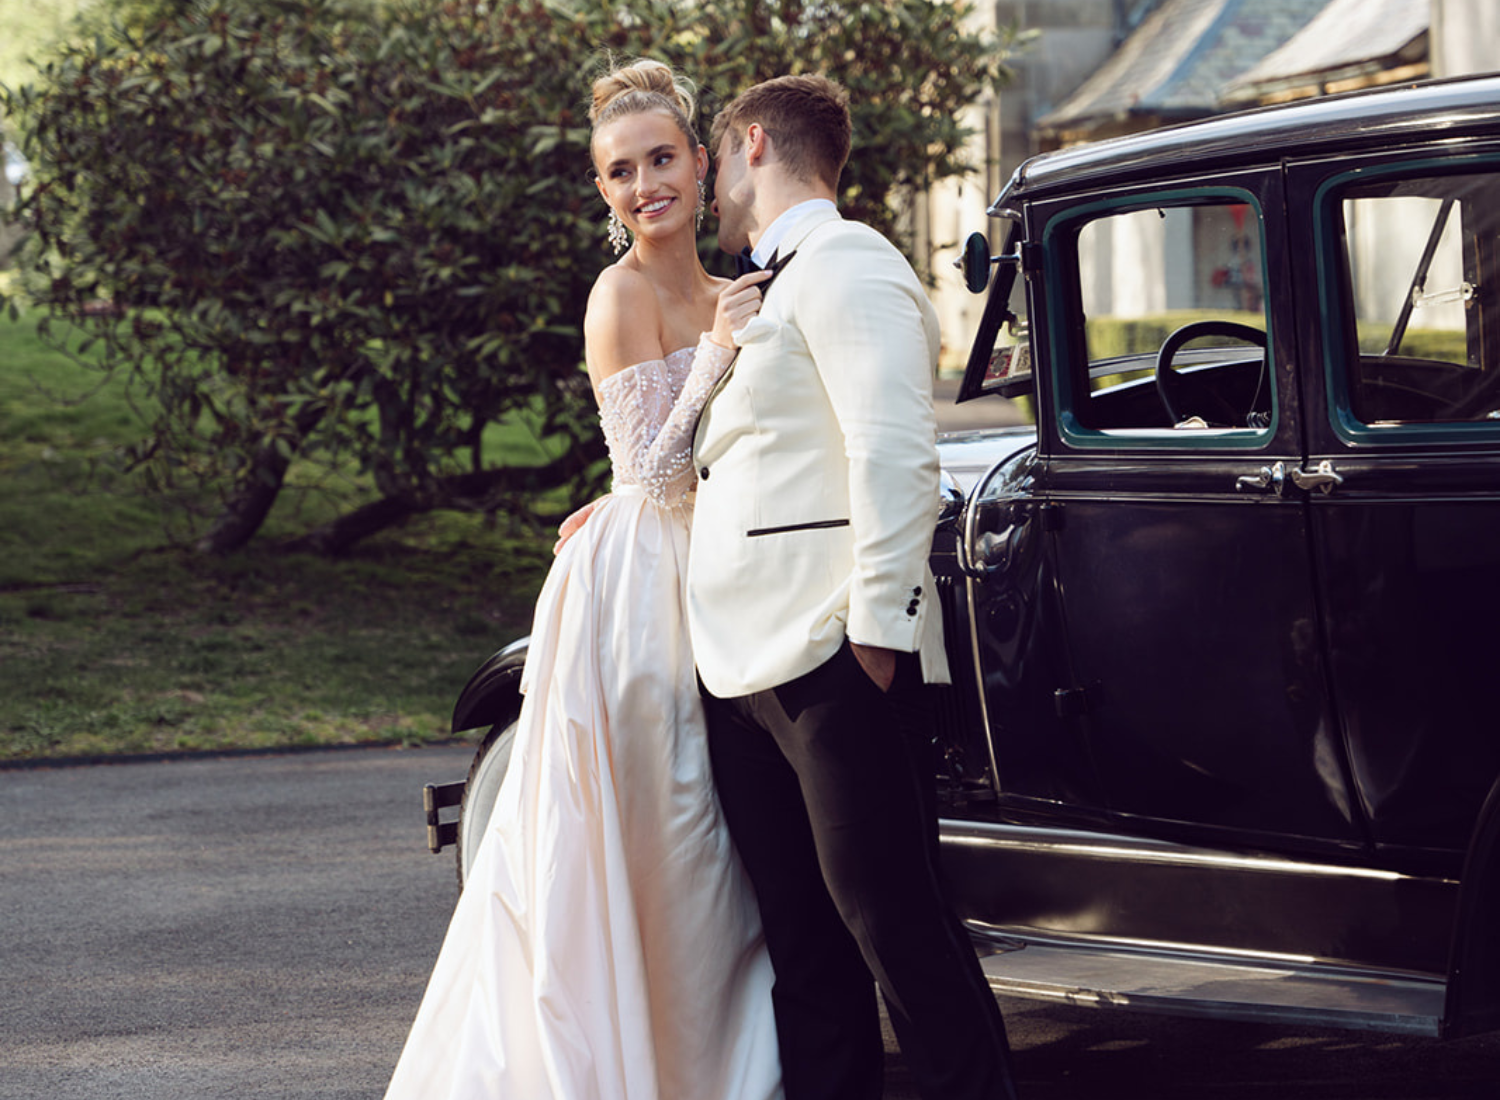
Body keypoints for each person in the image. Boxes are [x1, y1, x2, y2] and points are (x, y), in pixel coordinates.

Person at [383, 58, 782, 1100]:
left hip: (727, 554)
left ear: (703, 162)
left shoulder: (732, 279)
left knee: (724, 837)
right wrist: (718, 355)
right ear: (603, 192)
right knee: (669, 824)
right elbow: (651, 470)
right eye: (621, 171)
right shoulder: (620, 294)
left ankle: (717, 1049)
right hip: (642, 589)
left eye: (661, 159)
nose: (646, 184)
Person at [688, 75, 1022, 1100]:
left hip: (835, 657)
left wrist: (876, 634)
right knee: (802, 943)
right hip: (742, 670)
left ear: (750, 145)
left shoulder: (852, 263)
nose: (700, 186)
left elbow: (895, 455)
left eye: (705, 160)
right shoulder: (760, 288)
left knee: (895, 925)